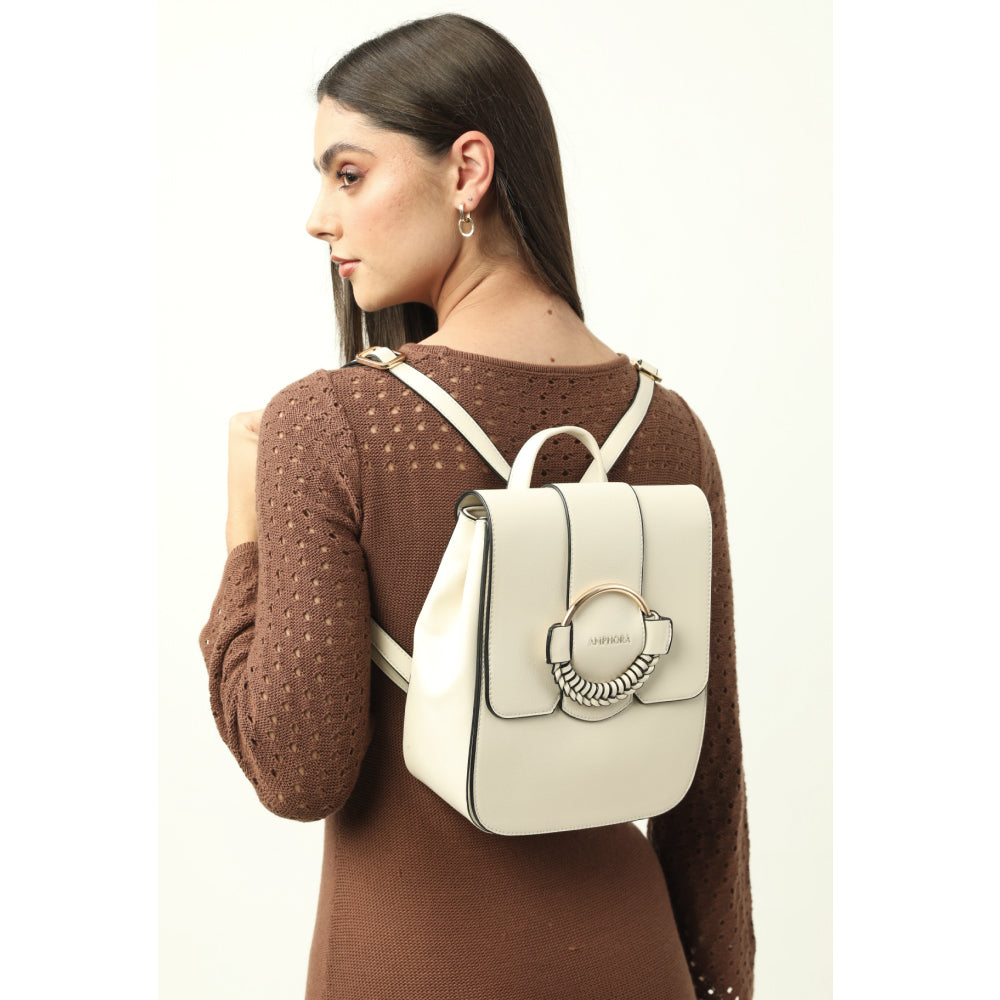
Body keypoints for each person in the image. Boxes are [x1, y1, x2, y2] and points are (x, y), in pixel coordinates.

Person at [200, 13, 754, 1000]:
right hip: (639, 964)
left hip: (409, 968)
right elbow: (708, 795)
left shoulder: (330, 422)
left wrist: (246, 534)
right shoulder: (668, 427)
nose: (318, 218)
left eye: (348, 174)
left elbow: (297, 769)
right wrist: (720, 986)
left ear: (467, 170)